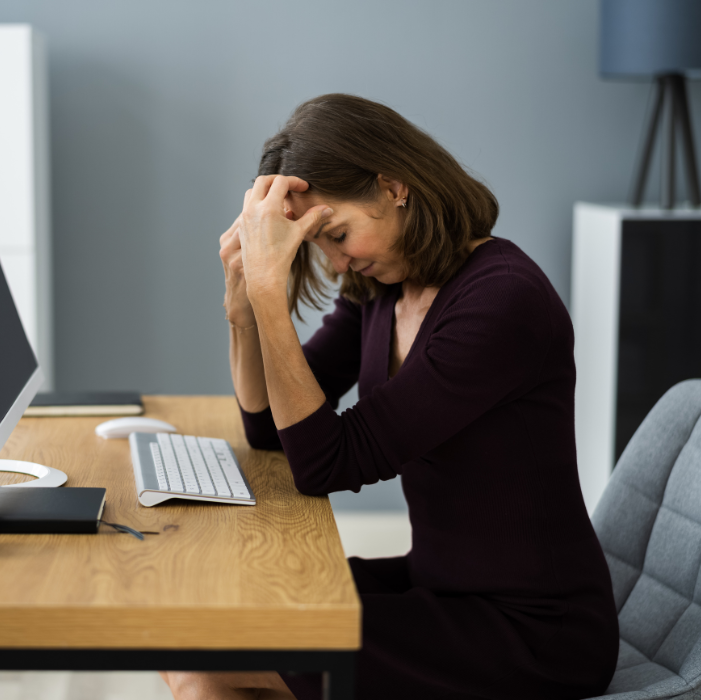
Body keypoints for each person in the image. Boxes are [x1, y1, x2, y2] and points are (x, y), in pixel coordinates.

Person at [161, 94, 618, 700]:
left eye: (337, 233)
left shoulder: (502, 301)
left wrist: (274, 295)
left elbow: (327, 462)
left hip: (531, 629)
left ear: (393, 187)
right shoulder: (381, 289)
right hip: (437, 586)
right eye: (315, 246)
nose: (333, 260)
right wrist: (244, 309)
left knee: (212, 660)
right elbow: (271, 430)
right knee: (187, 628)